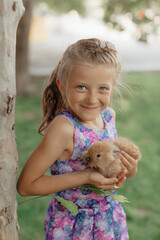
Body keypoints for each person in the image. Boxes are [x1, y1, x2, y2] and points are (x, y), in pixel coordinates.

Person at [17, 38, 138, 239]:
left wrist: (128, 170)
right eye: (81, 87)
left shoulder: (108, 117)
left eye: (102, 88)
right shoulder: (65, 128)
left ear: (113, 86)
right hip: (74, 225)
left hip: (109, 219)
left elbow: (114, 168)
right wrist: (87, 177)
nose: (91, 98)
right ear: (62, 85)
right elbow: (26, 186)